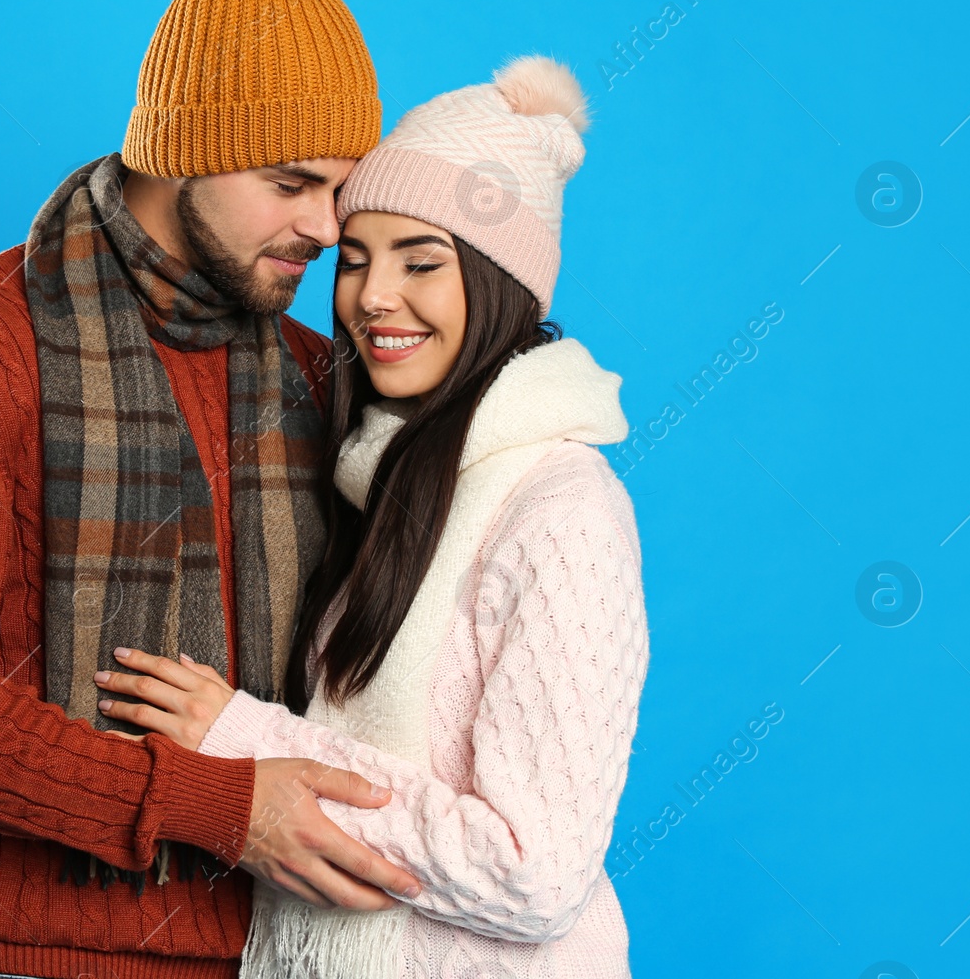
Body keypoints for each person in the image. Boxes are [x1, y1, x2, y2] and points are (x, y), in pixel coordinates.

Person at [0, 0, 424, 979]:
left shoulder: (313, 373)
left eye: (341, 191)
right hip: (35, 957)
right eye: (291, 183)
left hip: (293, 953)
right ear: (185, 149)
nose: (327, 231)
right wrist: (218, 805)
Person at [98, 55, 650, 977]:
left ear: (504, 281)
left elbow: (536, 873)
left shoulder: (562, 507)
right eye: (354, 260)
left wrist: (244, 740)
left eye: (420, 262)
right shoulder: (381, 477)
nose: (374, 296)